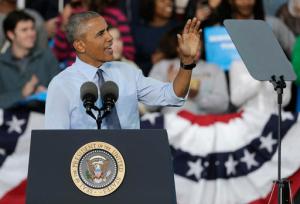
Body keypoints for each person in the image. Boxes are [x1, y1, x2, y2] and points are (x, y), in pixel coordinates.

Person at [45, 11, 201, 129]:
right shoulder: (61, 85)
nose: (110, 37)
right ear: (80, 45)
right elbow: (56, 142)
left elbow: (173, 96)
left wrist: (186, 63)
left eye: (107, 30)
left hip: (131, 161)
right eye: (101, 34)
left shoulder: (127, 72)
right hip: (86, 169)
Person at [0, 10, 60, 109]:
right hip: (9, 123)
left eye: (32, 29)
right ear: (11, 34)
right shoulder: (1, 64)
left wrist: (47, 93)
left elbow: (62, 93)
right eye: (24, 30)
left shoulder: (47, 57)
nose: (31, 33)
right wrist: (22, 93)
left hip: (42, 120)